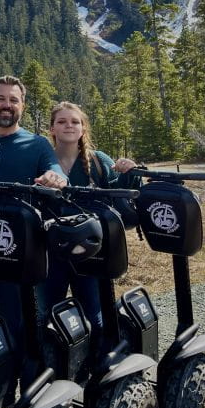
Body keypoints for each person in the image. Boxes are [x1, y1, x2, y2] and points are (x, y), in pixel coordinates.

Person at [0, 75, 66, 369]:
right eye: (0, 99)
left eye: (13, 100)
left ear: (22, 105)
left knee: (18, 323)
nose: (7, 105)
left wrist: (55, 178)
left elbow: (57, 172)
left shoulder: (38, 144)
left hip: (18, 250)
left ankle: (21, 389)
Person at [39, 100, 137, 346]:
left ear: (83, 128)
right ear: (52, 129)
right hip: (52, 254)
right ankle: (55, 369)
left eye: (75, 121)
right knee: (47, 315)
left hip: (93, 252)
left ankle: (98, 369)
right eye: (61, 121)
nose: (68, 126)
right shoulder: (42, 160)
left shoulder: (98, 161)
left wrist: (129, 173)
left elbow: (118, 198)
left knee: (96, 316)